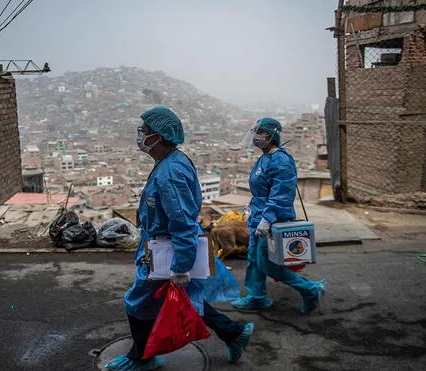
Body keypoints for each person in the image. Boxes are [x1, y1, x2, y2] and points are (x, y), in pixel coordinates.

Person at [106, 107, 254, 371]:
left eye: (145, 132)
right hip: (163, 246)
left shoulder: (171, 172)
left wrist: (181, 265)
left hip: (167, 251)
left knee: (137, 302)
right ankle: (233, 333)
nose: (140, 136)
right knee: (183, 298)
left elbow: (182, 221)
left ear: (160, 137)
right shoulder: (170, 161)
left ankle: (141, 358)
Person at [231, 117, 327, 314]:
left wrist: (267, 220)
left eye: (260, 133)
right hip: (258, 218)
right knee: (254, 260)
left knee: (268, 263)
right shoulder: (264, 157)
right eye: (255, 132)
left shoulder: (280, 160)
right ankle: (257, 296)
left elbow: (282, 193)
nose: (255, 137)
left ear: (271, 135)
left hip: (273, 221)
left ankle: (310, 289)